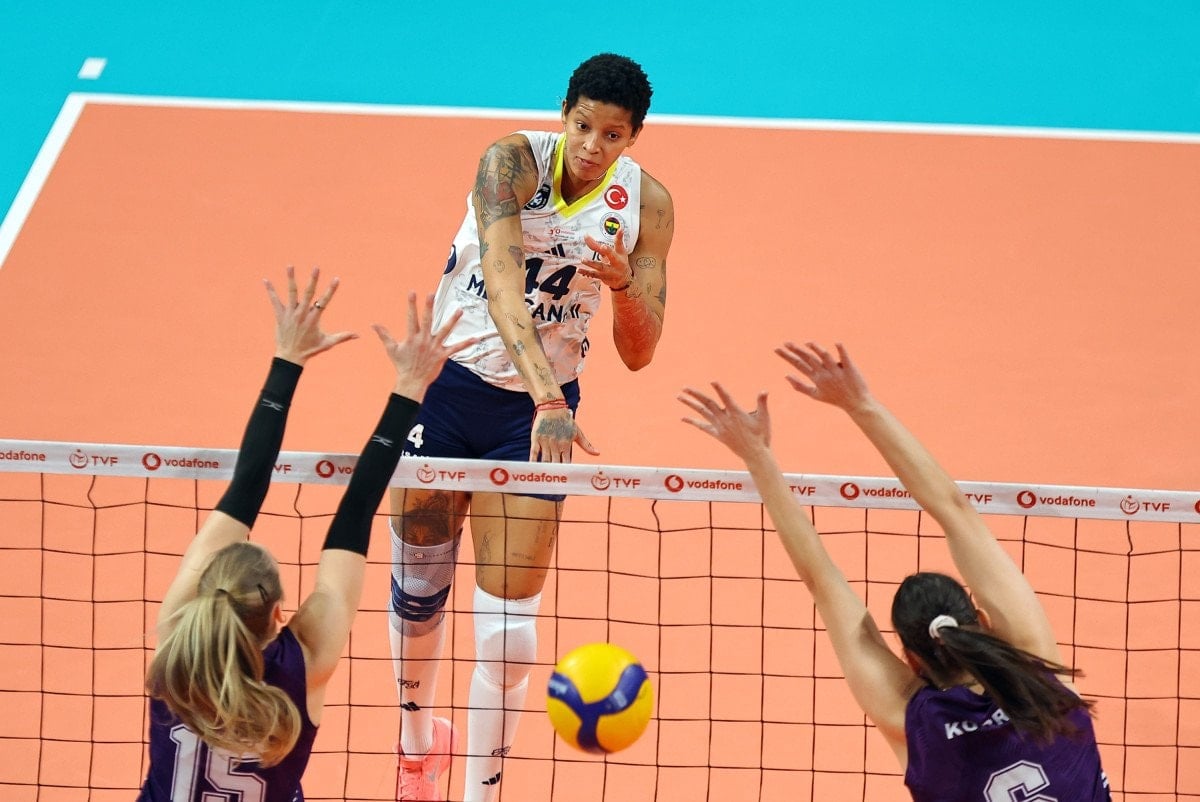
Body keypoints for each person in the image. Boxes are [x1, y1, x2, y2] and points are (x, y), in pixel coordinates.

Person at [388, 53, 674, 801]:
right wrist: (552, 400)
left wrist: (622, 286)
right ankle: (416, 748)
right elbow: (504, 291)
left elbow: (640, 352)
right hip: (448, 389)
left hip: (533, 421)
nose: (592, 146)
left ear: (634, 137)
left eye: (612, 135)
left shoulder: (647, 205)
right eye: (583, 126)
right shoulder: (509, 163)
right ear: (563, 112)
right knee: (418, 589)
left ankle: (480, 794)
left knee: (511, 637)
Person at [678, 342, 1110, 802]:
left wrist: (758, 457)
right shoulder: (1036, 671)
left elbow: (824, 583)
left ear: (911, 660)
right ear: (981, 622)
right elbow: (956, 511)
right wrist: (861, 404)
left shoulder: (914, 721)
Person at [138, 267, 472, 801]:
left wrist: (287, 359)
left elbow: (250, 487)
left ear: (206, 591)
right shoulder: (302, 663)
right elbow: (355, 509)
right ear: (278, 614)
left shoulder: (176, 642)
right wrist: (409, 384)